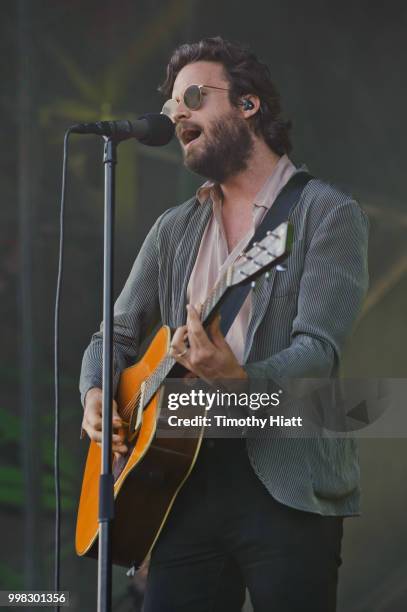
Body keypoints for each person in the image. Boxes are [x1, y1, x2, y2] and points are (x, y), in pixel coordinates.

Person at [80, 37, 369, 612]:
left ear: (248, 105)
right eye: (169, 109)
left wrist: (239, 377)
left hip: (285, 480)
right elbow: (111, 336)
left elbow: (319, 350)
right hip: (178, 483)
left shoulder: (326, 212)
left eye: (193, 96)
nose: (177, 113)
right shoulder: (174, 228)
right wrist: (95, 390)